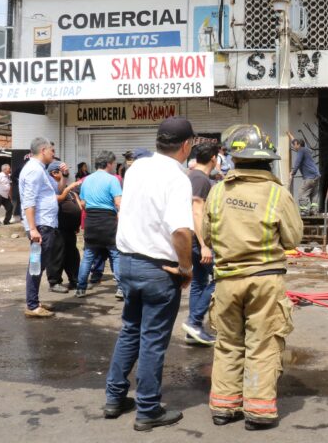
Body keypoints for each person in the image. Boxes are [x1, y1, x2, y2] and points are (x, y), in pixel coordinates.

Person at [205, 124, 302, 430]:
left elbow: (207, 234)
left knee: (228, 343)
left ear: (234, 159)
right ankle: (258, 411)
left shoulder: (218, 191)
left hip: (226, 281)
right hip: (265, 281)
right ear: (266, 160)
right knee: (262, 343)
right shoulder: (277, 194)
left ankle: (224, 406)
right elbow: (293, 239)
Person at [104, 116, 195, 431]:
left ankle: (114, 398)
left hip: (127, 262)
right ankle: (148, 410)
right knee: (153, 339)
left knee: (130, 329)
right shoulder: (178, 178)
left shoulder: (136, 168)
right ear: (186, 145)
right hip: (158, 268)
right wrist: (186, 268)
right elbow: (181, 232)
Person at [20, 137, 69, 318]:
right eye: (52, 151)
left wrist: (63, 175)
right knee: (36, 265)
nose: (54, 155)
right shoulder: (34, 170)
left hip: (44, 225)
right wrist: (33, 229)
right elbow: (29, 201)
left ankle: (34, 301)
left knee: (38, 264)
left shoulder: (40, 170)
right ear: (43, 150)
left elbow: (56, 191)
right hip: (40, 226)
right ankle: (32, 305)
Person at [182, 142, 219, 345]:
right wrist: (204, 245)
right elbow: (196, 211)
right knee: (221, 278)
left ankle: (193, 330)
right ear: (213, 158)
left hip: (193, 240)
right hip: (199, 241)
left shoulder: (196, 177)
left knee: (199, 282)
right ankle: (194, 322)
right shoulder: (200, 179)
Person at [75, 151, 123, 298]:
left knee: (88, 255)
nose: (114, 166)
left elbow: (82, 203)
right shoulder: (113, 180)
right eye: (114, 163)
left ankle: (80, 288)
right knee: (116, 254)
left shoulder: (86, 180)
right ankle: (121, 288)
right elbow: (118, 203)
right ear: (108, 163)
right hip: (108, 220)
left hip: (91, 220)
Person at [47, 162, 82, 290]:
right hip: (58, 228)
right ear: (54, 173)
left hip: (70, 228)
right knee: (57, 255)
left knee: (72, 255)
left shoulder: (65, 187)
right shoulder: (50, 186)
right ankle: (55, 282)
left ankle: (75, 280)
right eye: (62, 172)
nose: (66, 175)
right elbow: (58, 197)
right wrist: (69, 187)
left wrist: (76, 222)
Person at [290, 138, 321, 216]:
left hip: (309, 176)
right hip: (316, 175)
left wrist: (292, 173)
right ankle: (314, 210)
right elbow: (296, 141)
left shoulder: (301, 150)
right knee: (314, 193)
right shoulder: (307, 150)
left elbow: (297, 162)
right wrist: (290, 135)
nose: (293, 147)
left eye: (294, 145)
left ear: (299, 145)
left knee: (302, 192)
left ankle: (304, 211)